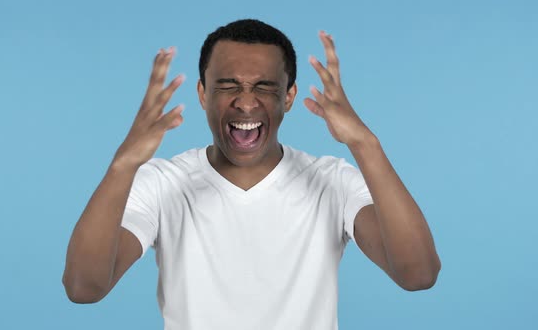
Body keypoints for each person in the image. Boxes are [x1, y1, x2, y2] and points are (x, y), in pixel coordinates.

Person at [63, 19, 441, 329]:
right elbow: (84, 286)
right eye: (228, 86)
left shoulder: (332, 181)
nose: (246, 102)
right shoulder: (162, 183)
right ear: (202, 94)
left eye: (264, 87)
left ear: (289, 97)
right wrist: (123, 165)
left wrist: (365, 144)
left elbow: (418, 274)